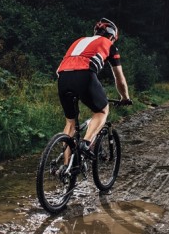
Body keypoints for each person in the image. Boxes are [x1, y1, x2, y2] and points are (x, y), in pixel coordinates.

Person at [56, 17, 132, 160]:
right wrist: (125, 97)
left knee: (70, 123)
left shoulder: (78, 41)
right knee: (102, 110)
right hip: (84, 75)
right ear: (111, 35)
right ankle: (86, 143)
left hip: (62, 77)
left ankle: (66, 171)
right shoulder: (109, 45)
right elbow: (119, 78)